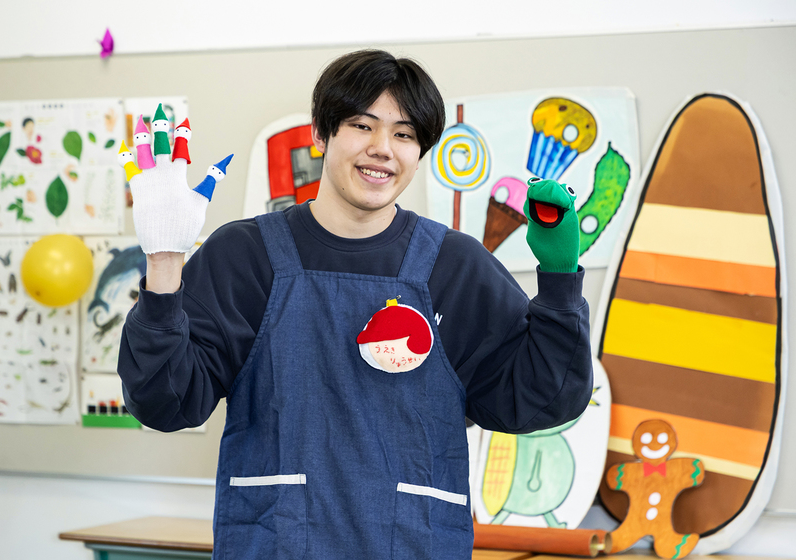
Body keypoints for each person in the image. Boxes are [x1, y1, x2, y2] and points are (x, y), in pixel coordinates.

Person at [118, 49, 592, 560]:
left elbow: (542, 399)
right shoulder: (245, 256)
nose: (382, 149)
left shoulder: (454, 267)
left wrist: (560, 281)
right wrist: (164, 261)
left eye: (404, 134)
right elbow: (166, 403)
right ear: (321, 135)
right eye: (362, 126)